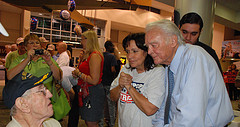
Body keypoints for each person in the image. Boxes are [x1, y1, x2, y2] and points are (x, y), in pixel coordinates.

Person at [145, 19, 233, 126]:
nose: (149, 51)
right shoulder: (170, 65)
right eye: (147, 46)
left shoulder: (194, 57)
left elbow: (190, 117)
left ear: (173, 41)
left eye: (154, 45)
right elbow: (167, 107)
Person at [110, 33, 165, 127]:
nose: (129, 56)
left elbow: (150, 109)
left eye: (135, 51)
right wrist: (120, 86)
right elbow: (112, 97)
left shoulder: (157, 71)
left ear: (147, 51)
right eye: (128, 51)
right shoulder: (126, 68)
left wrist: (129, 87)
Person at [72, 30, 105, 127]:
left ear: (88, 40)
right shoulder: (90, 55)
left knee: (91, 122)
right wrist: (78, 74)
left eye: (82, 40)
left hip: (92, 92)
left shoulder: (95, 56)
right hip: (88, 91)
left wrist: (79, 74)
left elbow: (94, 80)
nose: (81, 42)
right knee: (89, 121)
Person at [101, 40, 118, 127]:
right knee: (111, 105)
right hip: (109, 83)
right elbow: (112, 69)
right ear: (110, 47)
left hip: (101, 83)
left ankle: (100, 123)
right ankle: (111, 124)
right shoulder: (112, 57)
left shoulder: (101, 56)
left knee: (102, 105)